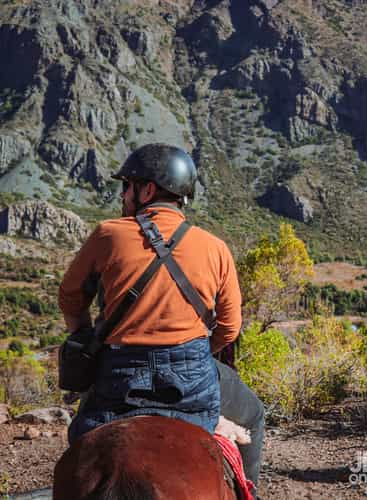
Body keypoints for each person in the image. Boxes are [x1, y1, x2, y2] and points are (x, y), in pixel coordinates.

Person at [59, 142, 265, 484]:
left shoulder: (107, 234)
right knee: (254, 415)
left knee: (81, 445)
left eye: (127, 186)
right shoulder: (215, 248)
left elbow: (70, 298)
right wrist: (191, 355)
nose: (123, 195)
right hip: (192, 378)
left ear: (148, 189)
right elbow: (229, 328)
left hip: (118, 375)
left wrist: (83, 335)